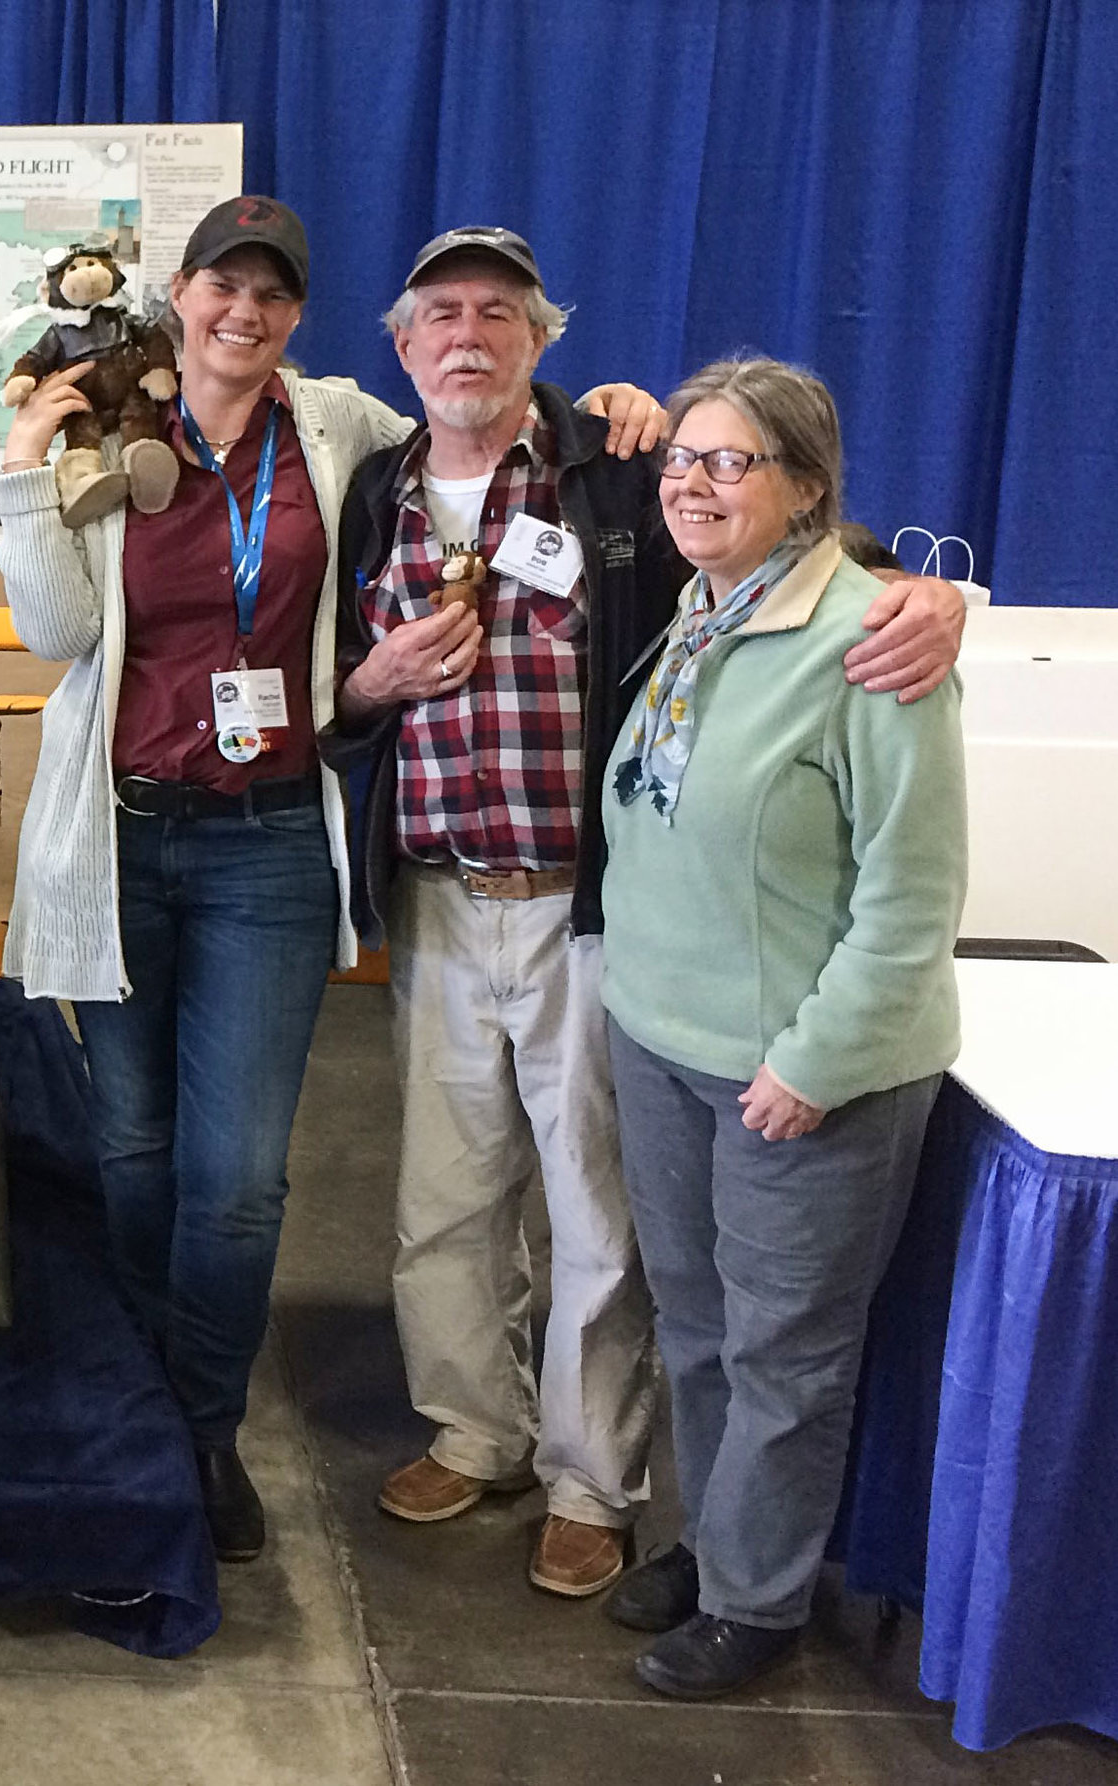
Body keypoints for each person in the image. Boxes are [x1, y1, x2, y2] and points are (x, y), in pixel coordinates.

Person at [0, 196, 662, 1563]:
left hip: (270, 850)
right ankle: (151, 1408)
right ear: (177, 295)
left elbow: (537, 439)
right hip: (120, 836)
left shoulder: (344, 432)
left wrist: (623, 410)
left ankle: (203, 1425)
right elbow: (58, 627)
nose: (243, 312)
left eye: (272, 293)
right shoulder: (105, 430)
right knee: (133, 1153)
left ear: (299, 317)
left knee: (236, 1179)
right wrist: (18, 460)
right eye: (221, 286)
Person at [326, 232, 965, 1598]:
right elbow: (333, 686)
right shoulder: (374, 488)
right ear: (401, 346)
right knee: (442, 1199)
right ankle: (474, 1426)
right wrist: (370, 684)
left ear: (543, 341)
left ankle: (590, 1476)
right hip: (436, 901)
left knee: (596, 1212)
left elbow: (797, 542)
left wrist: (931, 594)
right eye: (440, 313)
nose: (468, 335)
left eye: (500, 312)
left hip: (586, 908)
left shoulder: (618, 466)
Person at [597, 359, 965, 1698]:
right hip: (663, 1038)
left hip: (800, 1073)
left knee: (785, 1348)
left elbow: (914, 895)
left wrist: (813, 1062)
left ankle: (760, 1600)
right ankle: (717, 1538)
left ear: (807, 489)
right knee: (695, 1322)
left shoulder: (872, 642)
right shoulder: (699, 607)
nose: (692, 482)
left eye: (731, 462)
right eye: (682, 458)